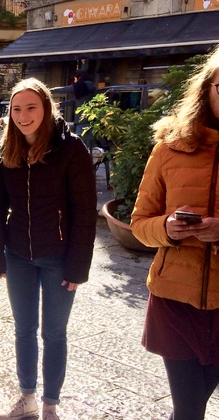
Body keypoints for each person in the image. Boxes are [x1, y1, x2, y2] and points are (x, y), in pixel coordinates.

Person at [0, 78, 96, 420]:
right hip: (18, 254)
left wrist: (78, 266)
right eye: (16, 109)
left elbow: (85, 211)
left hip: (59, 258)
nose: (23, 115)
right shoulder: (7, 151)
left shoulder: (71, 149)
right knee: (23, 329)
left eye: (31, 107)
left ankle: (50, 405)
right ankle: (28, 398)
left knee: (54, 333)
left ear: (47, 108)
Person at [130, 46, 219, 420]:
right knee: (187, 409)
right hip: (175, 299)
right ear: (207, 89)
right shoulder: (169, 148)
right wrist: (166, 227)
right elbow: (139, 224)